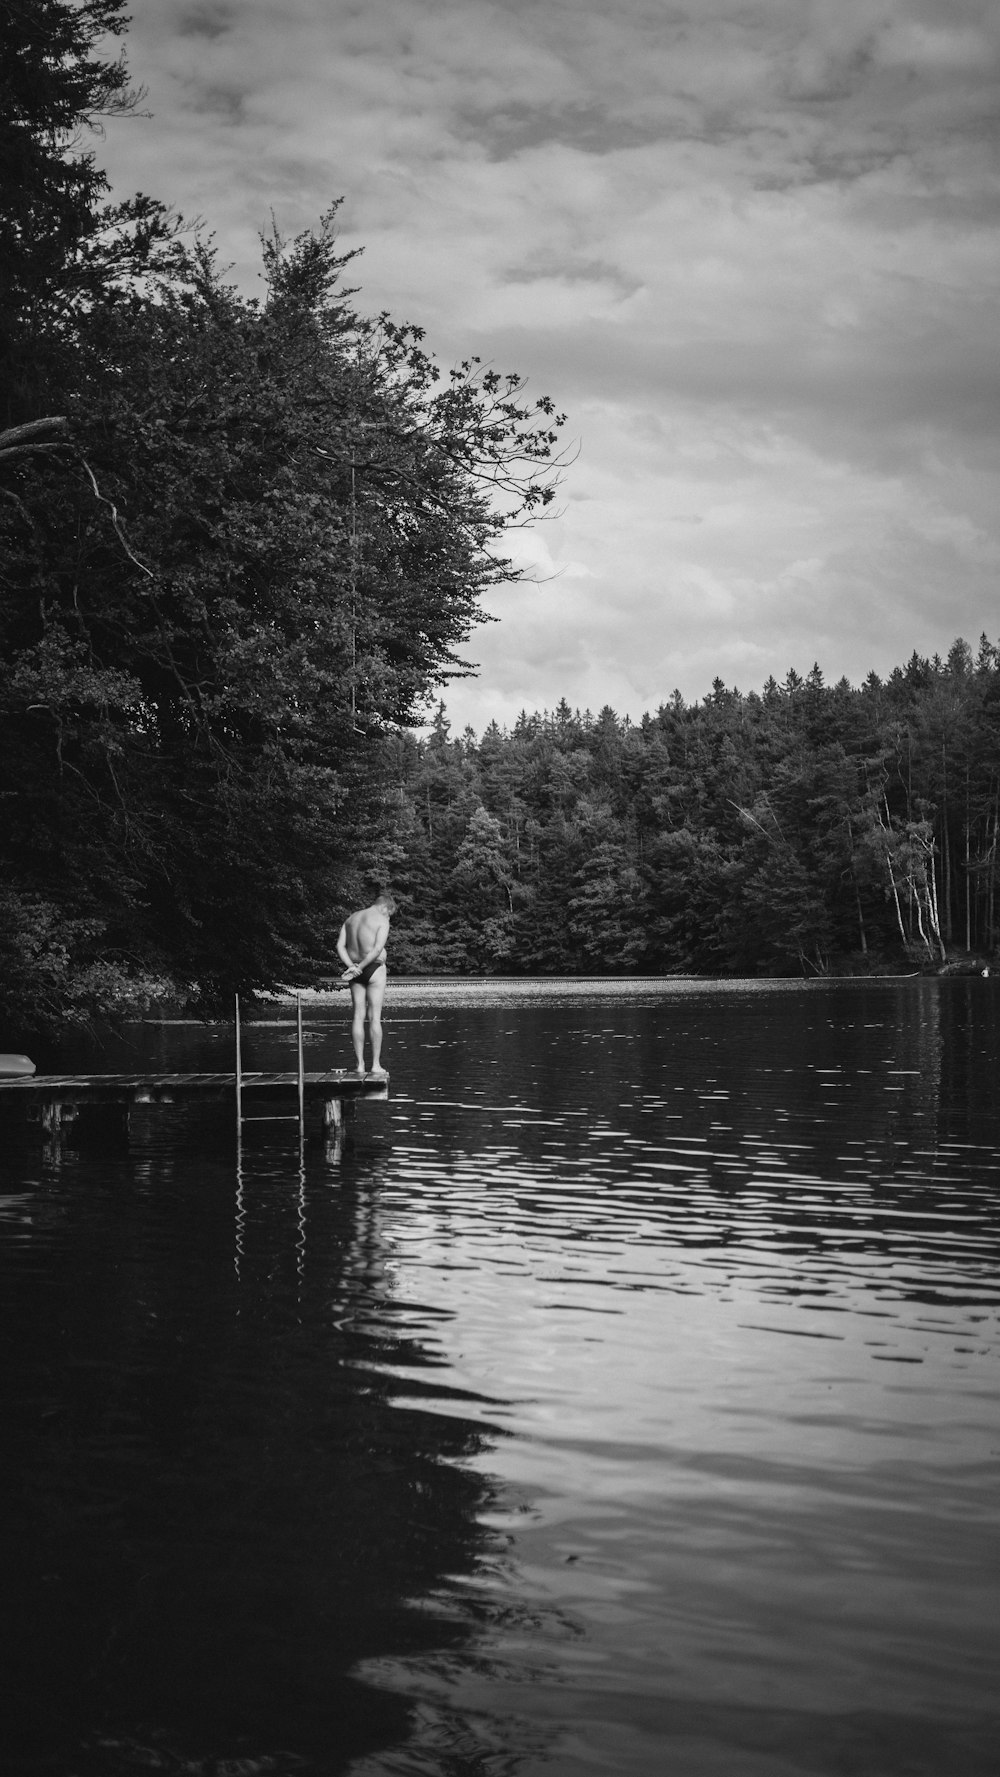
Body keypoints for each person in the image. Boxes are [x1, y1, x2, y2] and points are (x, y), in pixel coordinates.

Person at [336, 892, 397, 1076]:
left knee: (357, 1016)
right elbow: (378, 948)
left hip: (354, 971)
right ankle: (375, 1065)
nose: (389, 917)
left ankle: (360, 1065)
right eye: (390, 914)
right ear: (385, 907)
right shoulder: (381, 919)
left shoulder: (351, 918)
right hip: (373, 969)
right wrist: (362, 967)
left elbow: (340, 946)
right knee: (374, 1017)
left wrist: (352, 968)